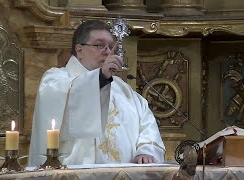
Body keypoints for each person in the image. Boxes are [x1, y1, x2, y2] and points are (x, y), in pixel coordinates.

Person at [28, 20, 165, 166]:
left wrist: (146, 150)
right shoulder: (55, 79)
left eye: (111, 47)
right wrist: (100, 77)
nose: (107, 51)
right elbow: (63, 98)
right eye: (100, 45)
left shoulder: (122, 88)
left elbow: (146, 122)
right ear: (79, 50)